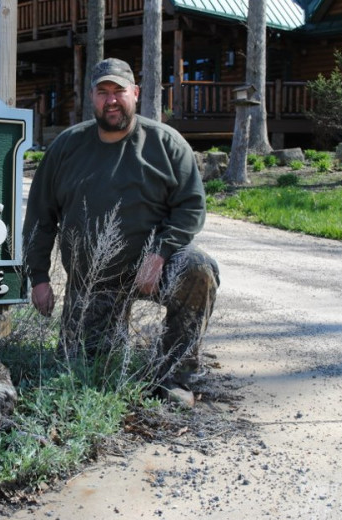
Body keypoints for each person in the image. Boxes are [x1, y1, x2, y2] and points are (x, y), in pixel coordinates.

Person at [22, 57, 219, 401]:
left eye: (119, 91)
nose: (111, 100)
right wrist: (38, 276)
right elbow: (40, 216)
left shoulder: (166, 144)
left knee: (198, 270)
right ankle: (101, 347)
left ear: (135, 93)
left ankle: (173, 374)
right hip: (93, 282)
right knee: (79, 369)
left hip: (153, 270)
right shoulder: (66, 147)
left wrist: (160, 254)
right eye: (103, 92)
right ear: (92, 97)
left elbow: (190, 207)